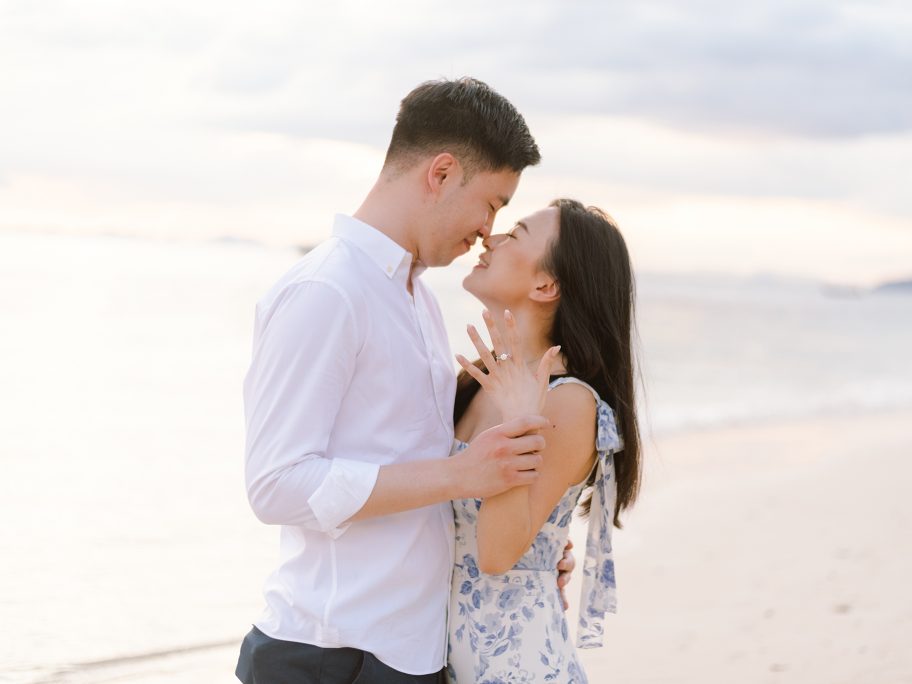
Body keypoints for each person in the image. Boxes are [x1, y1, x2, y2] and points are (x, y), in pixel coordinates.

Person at [236, 77, 574, 684]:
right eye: (492, 203)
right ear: (441, 174)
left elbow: (412, 465)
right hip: (328, 652)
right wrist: (460, 475)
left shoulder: (420, 301)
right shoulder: (326, 291)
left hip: (411, 652)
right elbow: (276, 485)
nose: (487, 230)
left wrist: (534, 541)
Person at [446, 199, 642, 683]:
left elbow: (495, 555)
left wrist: (519, 421)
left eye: (513, 235)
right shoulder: (475, 382)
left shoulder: (568, 404)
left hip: (518, 668)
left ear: (546, 284)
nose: (489, 239)